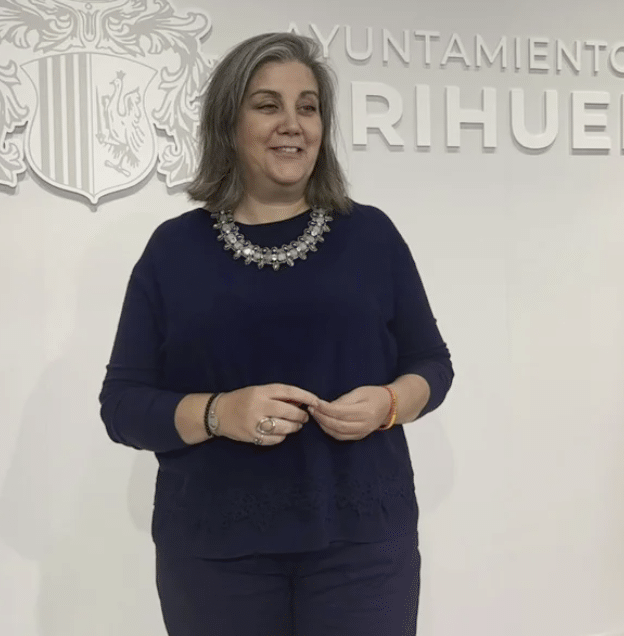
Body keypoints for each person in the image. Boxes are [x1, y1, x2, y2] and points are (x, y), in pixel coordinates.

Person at [99, 32, 453, 636]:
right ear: (228, 125)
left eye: (307, 107)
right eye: (268, 105)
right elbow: (123, 406)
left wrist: (390, 404)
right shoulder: (173, 251)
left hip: (364, 548)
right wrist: (220, 413)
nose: (293, 124)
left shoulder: (371, 236)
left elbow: (432, 364)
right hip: (214, 554)